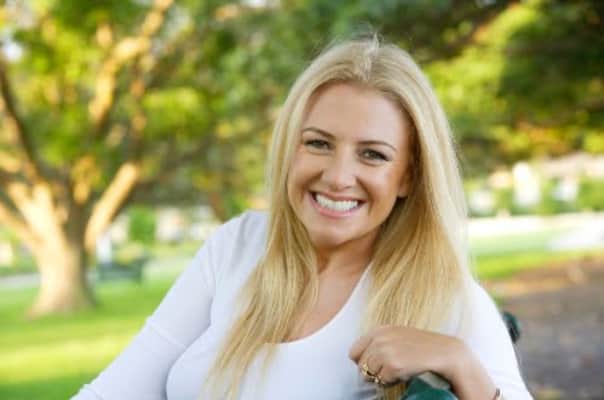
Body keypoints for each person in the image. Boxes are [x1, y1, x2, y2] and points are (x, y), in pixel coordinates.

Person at [72, 37, 533, 400]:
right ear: (290, 148)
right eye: (318, 143)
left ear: (408, 177)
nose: (337, 176)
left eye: (372, 154)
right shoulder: (238, 246)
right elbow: (113, 392)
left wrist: (461, 363)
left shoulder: (446, 296)